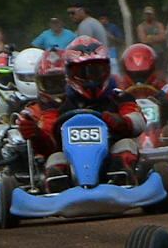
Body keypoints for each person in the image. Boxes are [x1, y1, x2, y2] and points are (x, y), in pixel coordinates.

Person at [27, 36, 146, 192]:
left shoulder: (120, 98)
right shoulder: (58, 106)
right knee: (54, 158)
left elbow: (137, 122)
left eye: (97, 71)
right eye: (84, 72)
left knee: (126, 144)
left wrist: (117, 121)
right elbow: (49, 138)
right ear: (70, 73)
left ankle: (120, 178)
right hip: (73, 166)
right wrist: (36, 135)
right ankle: (60, 187)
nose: (91, 78)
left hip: (109, 160)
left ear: (107, 70)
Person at [16, 49, 68, 160]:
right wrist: (36, 134)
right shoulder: (32, 112)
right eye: (50, 83)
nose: (56, 87)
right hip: (51, 159)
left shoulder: (84, 103)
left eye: (61, 82)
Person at [120, 43, 168, 127]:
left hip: (160, 133)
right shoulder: (118, 92)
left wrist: (167, 105)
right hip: (129, 135)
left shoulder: (166, 89)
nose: (139, 78)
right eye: (135, 75)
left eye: (144, 74)